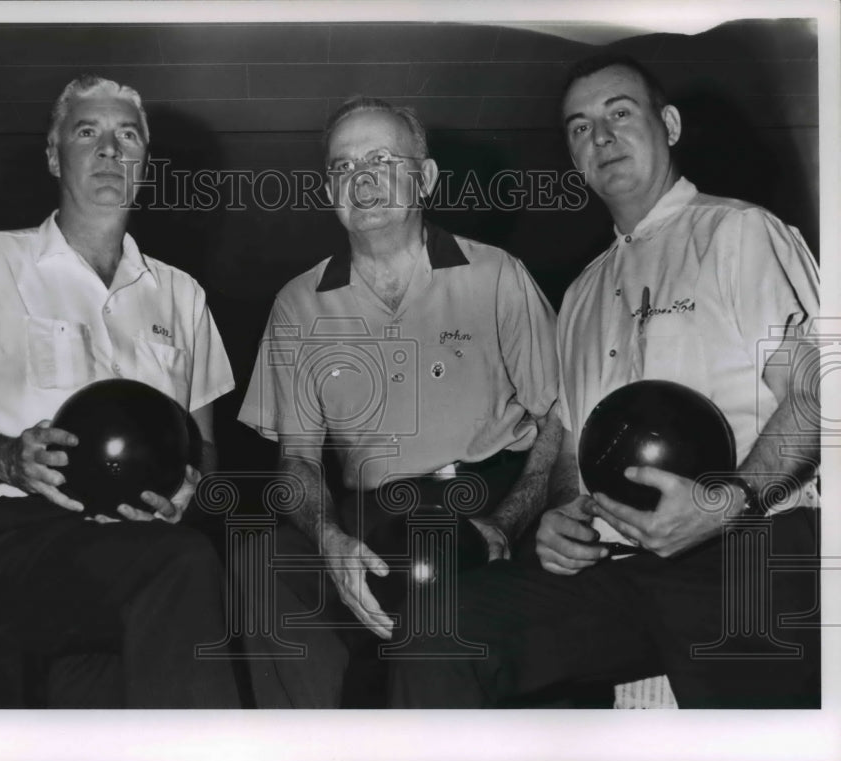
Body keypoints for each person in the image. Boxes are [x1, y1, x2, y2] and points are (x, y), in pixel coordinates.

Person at [388, 54, 821, 708]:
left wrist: (727, 500)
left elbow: (816, 396)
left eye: (621, 113)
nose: (602, 136)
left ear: (668, 124)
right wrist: (563, 513)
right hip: (625, 572)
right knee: (439, 624)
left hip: (747, 551)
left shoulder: (738, 233)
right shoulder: (584, 291)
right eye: (580, 127)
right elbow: (569, 449)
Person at [236, 97, 561, 706]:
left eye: (381, 159)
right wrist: (329, 537)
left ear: (426, 177)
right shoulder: (298, 303)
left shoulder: (496, 275)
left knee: (445, 645)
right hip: (372, 519)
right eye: (341, 167)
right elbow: (298, 461)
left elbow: (558, 421)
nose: (360, 178)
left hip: (483, 500)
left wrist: (508, 522)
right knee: (261, 562)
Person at [0, 75, 241, 707]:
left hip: (138, 544)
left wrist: (188, 491)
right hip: (9, 538)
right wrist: (7, 459)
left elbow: (208, 450)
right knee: (184, 569)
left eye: (126, 135)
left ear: (144, 162)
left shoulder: (182, 295)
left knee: (132, 660)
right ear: (54, 155)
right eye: (88, 132)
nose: (110, 149)